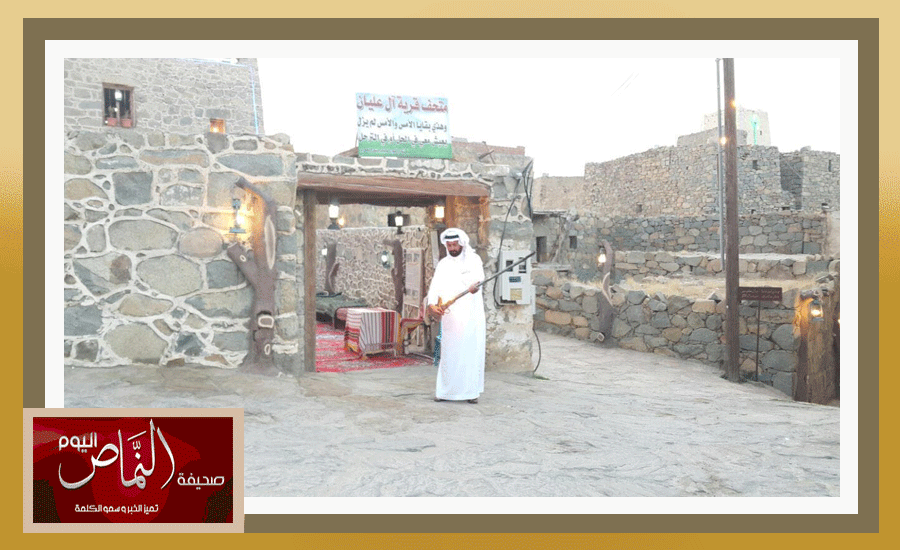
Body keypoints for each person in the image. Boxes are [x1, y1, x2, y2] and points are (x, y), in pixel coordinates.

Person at [426, 228, 486, 404]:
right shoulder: (443, 264)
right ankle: (445, 392)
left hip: (471, 316)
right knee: (449, 354)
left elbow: (479, 280)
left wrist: (475, 287)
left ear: (461, 244)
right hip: (451, 317)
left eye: (455, 245)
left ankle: (471, 392)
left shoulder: (474, 260)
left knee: (470, 353)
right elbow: (435, 286)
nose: (452, 248)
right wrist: (432, 304)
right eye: (449, 245)